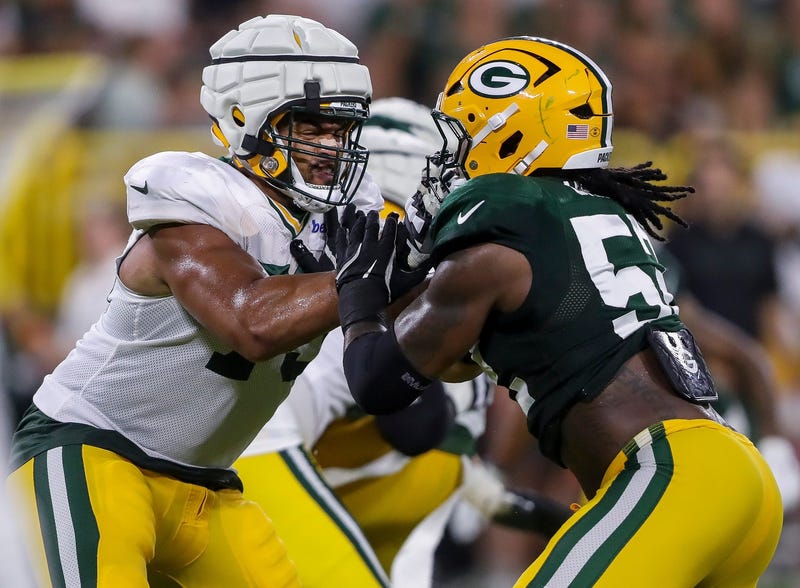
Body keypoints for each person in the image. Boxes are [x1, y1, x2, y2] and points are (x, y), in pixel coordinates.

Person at [329, 36, 784, 585]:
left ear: (510, 132)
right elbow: (449, 362)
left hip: (668, 477)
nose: (447, 159)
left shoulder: (497, 245)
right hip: (731, 476)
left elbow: (379, 382)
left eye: (461, 135)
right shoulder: (595, 215)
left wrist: (357, 291)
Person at [6, 14, 378, 587]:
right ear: (244, 119)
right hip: (94, 454)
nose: (332, 148)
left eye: (341, 131)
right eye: (311, 127)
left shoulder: (342, 226)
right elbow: (251, 323)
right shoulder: (195, 200)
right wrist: (374, 274)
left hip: (205, 484)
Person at [233, 97, 572, 588]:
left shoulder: (447, 270)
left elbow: (436, 441)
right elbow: (419, 426)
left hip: (362, 484)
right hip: (268, 462)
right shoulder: (358, 280)